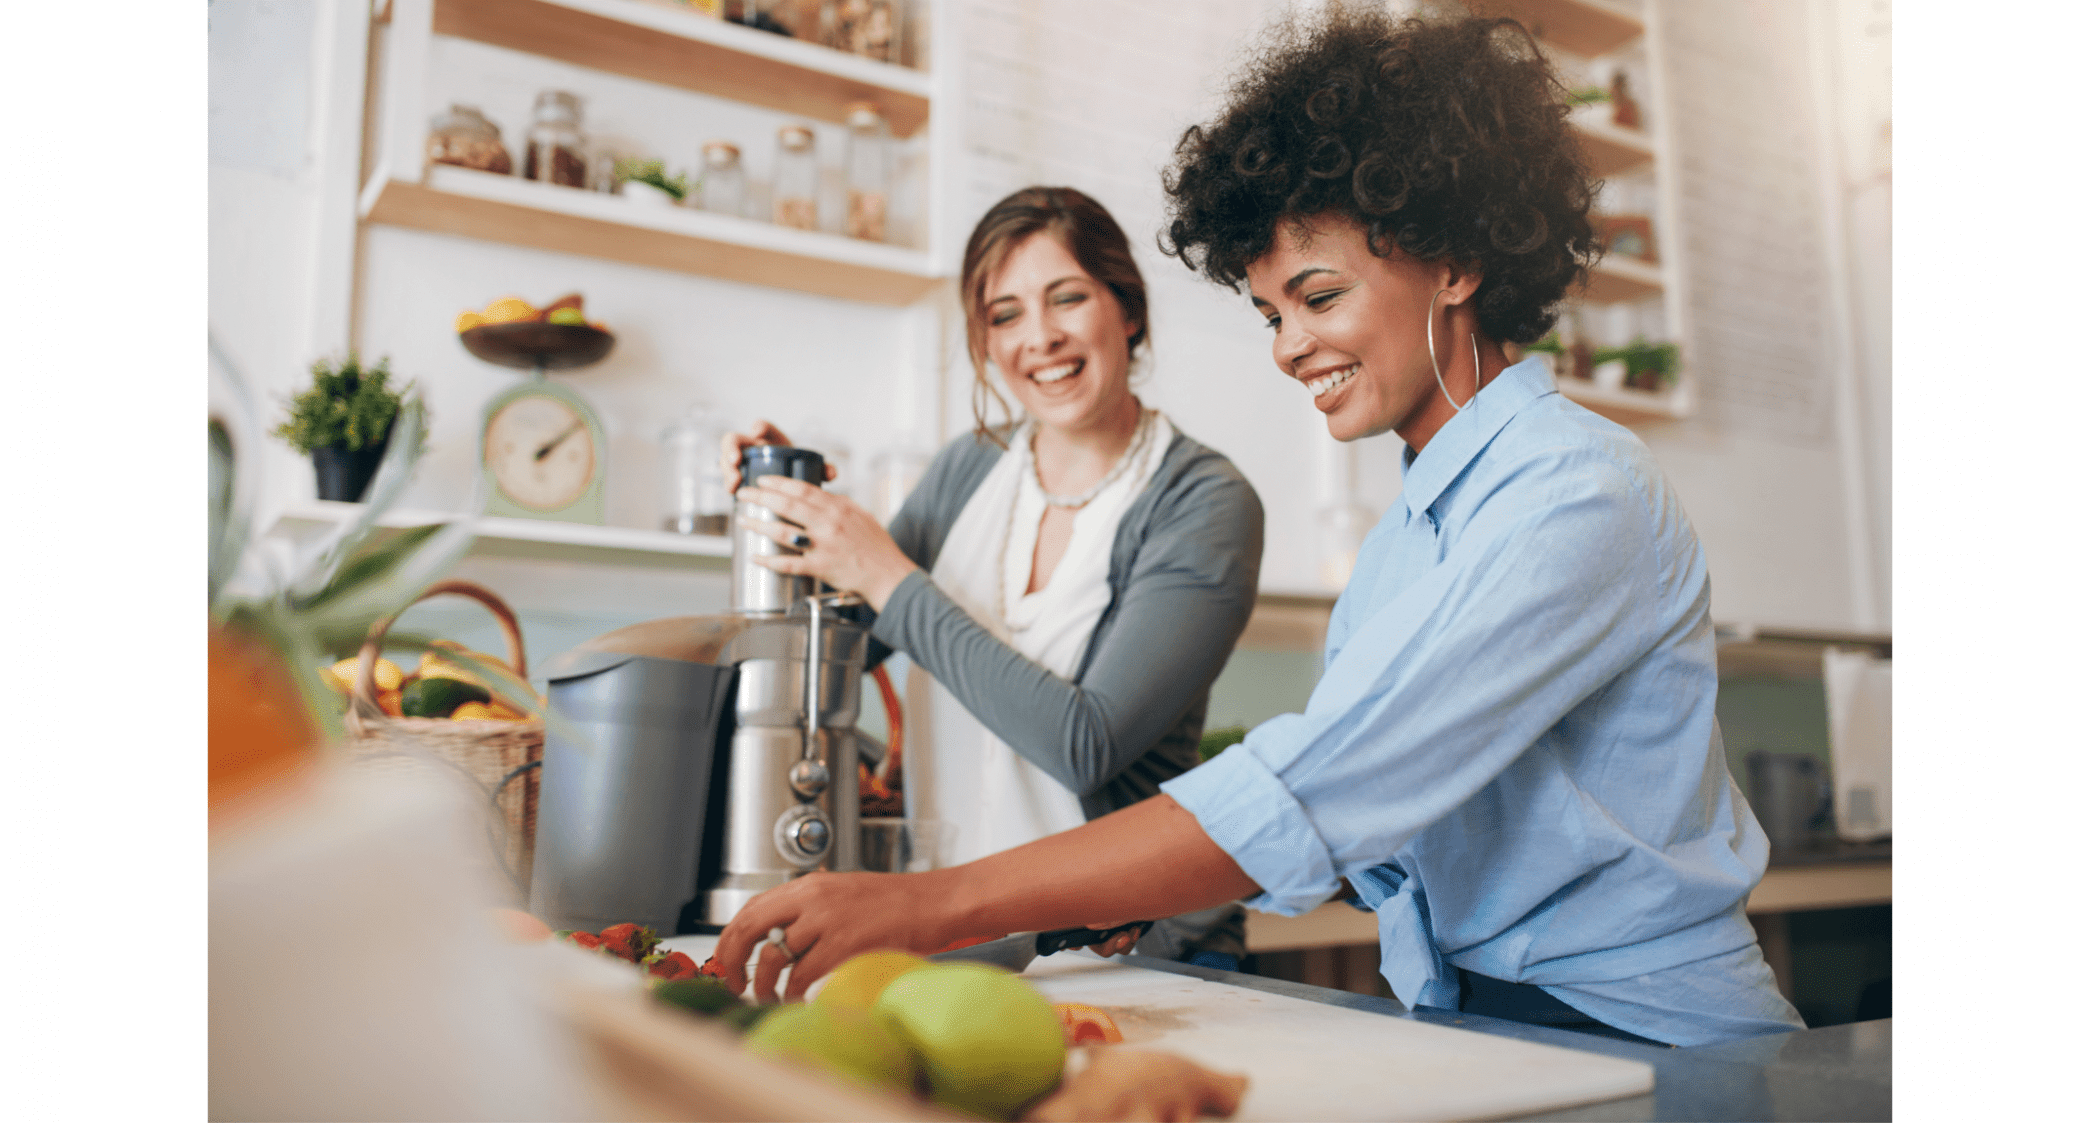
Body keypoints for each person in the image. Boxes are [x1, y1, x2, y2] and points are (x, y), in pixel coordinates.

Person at [715, 10, 1805, 1048]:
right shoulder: (1411, 527)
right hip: (1484, 1008)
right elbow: (1381, 812)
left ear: (1460, 263)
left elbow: (1321, 787)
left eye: (1319, 297)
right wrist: (1136, 883)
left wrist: (935, 904)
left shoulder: (1574, 492)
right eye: (1272, 312)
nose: (1289, 348)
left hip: (1649, 1033)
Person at [722, 186, 1265, 969]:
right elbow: (827, 657)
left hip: (1139, 954)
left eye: (1067, 298)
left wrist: (887, 572)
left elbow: (1086, 743)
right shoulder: (967, 469)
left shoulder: (1203, 500)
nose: (1039, 337)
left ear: (1129, 310)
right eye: (1005, 314)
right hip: (956, 940)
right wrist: (776, 508)